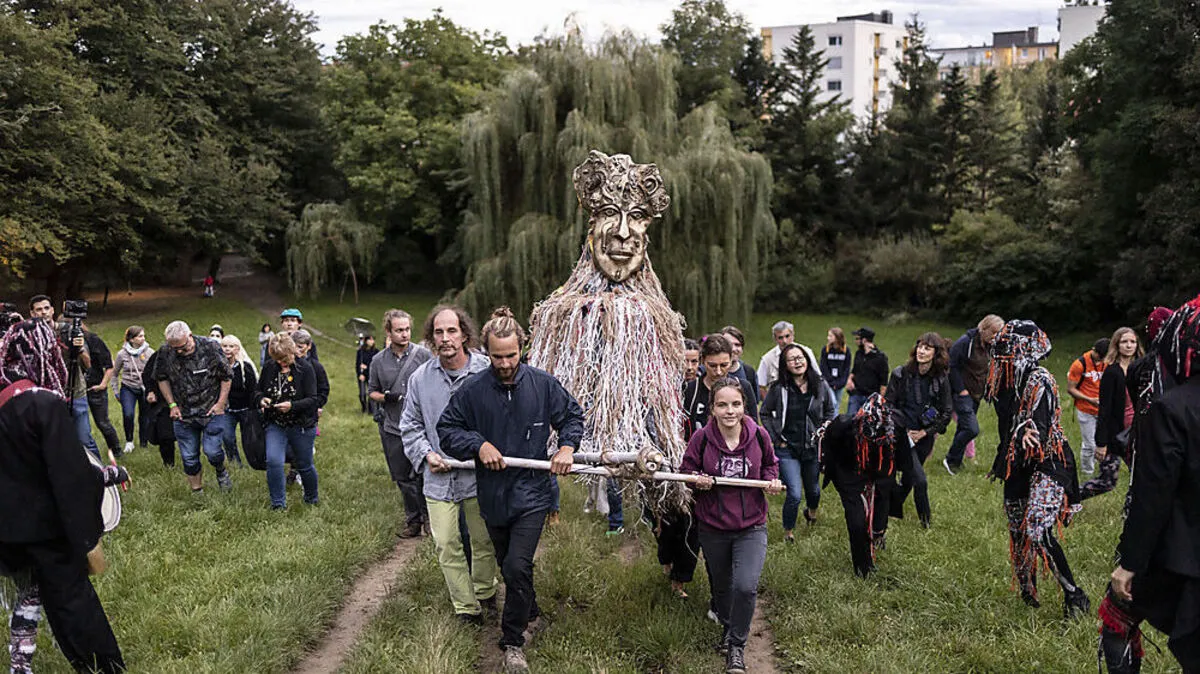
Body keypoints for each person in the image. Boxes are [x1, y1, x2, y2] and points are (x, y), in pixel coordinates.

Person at [439, 308, 585, 674]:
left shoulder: (543, 385)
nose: (504, 363)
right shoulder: (471, 391)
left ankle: (513, 642)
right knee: (508, 566)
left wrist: (566, 447)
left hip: (532, 492)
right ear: (485, 351)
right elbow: (447, 430)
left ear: (523, 348)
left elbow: (572, 417)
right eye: (496, 356)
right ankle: (530, 610)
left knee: (518, 563)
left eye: (511, 355)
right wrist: (478, 444)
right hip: (493, 494)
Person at [0, 319, 126, 673]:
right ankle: (102, 666)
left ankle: (29, 662)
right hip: (47, 526)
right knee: (72, 598)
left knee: (41, 596)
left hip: (10, 528)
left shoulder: (6, 398)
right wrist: (101, 489)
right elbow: (68, 472)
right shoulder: (41, 403)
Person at [1103, 296, 1200, 674]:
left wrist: (1129, 563)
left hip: (1186, 558)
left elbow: (1153, 493)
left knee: (1118, 613)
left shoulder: (1174, 407)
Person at [400, 305, 497, 626]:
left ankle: (485, 591)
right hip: (439, 479)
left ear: (465, 334)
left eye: (451, 331)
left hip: (479, 477)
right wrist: (427, 454)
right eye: (438, 332)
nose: (445, 338)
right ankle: (466, 608)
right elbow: (410, 425)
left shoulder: (486, 371)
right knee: (446, 543)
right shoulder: (420, 379)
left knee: (483, 541)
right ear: (431, 338)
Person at [984, 320, 1088, 617]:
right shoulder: (1004, 380)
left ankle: (1074, 595)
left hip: (1049, 459)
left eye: (1009, 347)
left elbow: (1038, 431)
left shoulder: (1041, 380)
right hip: (1017, 461)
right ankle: (1027, 590)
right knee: (1017, 528)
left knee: (1038, 529)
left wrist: (1023, 433)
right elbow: (1008, 428)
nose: (1002, 354)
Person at [680, 377, 782, 674]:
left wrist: (771, 482)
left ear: (744, 406)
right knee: (722, 587)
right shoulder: (701, 438)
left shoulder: (759, 435)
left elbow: (770, 465)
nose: (730, 411)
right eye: (722, 405)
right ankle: (727, 625)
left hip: (751, 525)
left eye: (735, 404)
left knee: (746, 586)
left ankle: (737, 646)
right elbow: (686, 470)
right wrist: (696, 479)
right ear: (712, 408)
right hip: (712, 526)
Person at [761, 342, 835, 541]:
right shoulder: (779, 388)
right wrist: (776, 438)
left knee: (814, 490)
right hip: (787, 449)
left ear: (807, 360)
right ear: (785, 365)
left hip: (812, 447)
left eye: (800, 357)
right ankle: (788, 532)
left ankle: (811, 512)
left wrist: (825, 429)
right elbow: (764, 412)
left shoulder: (820, 384)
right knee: (794, 493)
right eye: (792, 359)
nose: (797, 361)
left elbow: (830, 411)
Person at [368, 309, 432, 538]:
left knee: (424, 474)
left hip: (422, 426)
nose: (404, 334)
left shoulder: (423, 355)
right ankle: (412, 520)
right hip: (393, 426)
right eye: (399, 330)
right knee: (403, 477)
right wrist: (386, 398)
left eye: (407, 329)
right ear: (388, 331)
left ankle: (429, 520)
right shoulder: (378, 361)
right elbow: (371, 392)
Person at [818, 393, 896, 577]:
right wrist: (826, 468)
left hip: (877, 473)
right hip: (847, 473)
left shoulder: (892, 432)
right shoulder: (843, 425)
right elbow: (828, 446)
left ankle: (876, 539)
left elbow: (897, 467)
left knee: (877, 514)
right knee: (856, 522)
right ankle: (863, 569)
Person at [882, 332, 951, 530]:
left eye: (927, 348)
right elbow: (888, 405)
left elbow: (946, 412)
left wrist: (924, 433)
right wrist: (901, 431)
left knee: (909, 479)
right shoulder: (900, 373)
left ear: (936, 353)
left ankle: (890, 510)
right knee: (920, 481)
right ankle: (926, 524)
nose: (921, 351)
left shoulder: (941, 379)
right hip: (902, 435)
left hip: (924, 436)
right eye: (920, 346)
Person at [155, 321, 234, 494]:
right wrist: (172, 405)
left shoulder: (211, 347)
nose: (179, 351)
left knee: (212, 452)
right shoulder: (165, 352)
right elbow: (161, 378)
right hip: (183, 414)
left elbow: (226, 376)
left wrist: (220, 404)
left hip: (211, 410)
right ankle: (197, 491)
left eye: (182, 347)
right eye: (175, 348)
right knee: (189, 457)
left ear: (190, 335)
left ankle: (221, 471)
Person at [28, 295, 99, 459]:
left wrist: (79, 348)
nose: (43, 312)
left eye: (46, 308)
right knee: (54, 442)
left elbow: (88, 364)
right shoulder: (30, 336)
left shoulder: (68, 330)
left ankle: (101, 475)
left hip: (76, 391)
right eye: (39, 309)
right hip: (49, 395)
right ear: (32, 313)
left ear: (52, 310)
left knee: (84, 439)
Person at [256, 333, 320, 509]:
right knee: (273, 461)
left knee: (304, 464)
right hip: (275, 423)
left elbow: (313, 399)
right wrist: (262, 399)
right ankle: (278, 504)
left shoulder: (305, 369)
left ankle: (311, 498)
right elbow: (258, 391)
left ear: (292, 352)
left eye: (285, 358)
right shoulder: (269, 367)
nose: (282, 363)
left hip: (301, 424)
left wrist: (292, 406)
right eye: (278, 359)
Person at [1080, 327, 1143, 501]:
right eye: (1124, 342)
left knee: (1141, 478)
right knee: (1106, 481)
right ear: (1117, 345)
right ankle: (1068, 497)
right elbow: (1105, 409)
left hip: (1137, 433)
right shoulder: (1111, 372)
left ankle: (1132, 514)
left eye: (1132, 342)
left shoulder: (1142, 369)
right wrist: (1101, 442)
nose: (1129, 345)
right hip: (1115, 435)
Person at [943, 315, 1004, 475]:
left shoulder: (992, 346)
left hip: (977, 394)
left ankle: (955, 462)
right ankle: (950, 459)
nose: (995, 337)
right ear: (983, 329)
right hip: (962, 394)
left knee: (964, 427)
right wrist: (961, 389)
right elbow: (952, 366)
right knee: (971, 429)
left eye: (998, 334)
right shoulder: (965, 342)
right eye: (993, 333)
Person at [684, 334, 759, 437]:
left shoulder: (743, 387)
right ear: (702, 361)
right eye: (712, 366)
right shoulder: (691, 390)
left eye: (724, 365)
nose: (718, 372)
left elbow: (753, 426)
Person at [1066, 337, 1109, 475]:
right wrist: (1090, 399)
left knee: (1104, 443)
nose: (1100, 360)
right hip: (1086, 409)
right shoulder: (1080, 364)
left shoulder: (1109, 362)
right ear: (1094, 350)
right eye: (1099, 356)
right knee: (1090, 445)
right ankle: (1087, 471)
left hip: (1104, 410)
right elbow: (1071, 389)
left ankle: (1104, 470)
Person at [82, 324, 122, 459]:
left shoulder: (93, 340)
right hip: (76, 390)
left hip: (95, 386)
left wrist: (103, 384)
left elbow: (109, 365)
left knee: (102, 422)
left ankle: (116, 449)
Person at [111, 326, 151, 455]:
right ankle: (129, 441)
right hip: (128, 387)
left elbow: (155, 373)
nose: (143, 338)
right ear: (132, 339)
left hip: (144, 388)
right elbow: (114, 374)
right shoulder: (122, 354)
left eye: (143, 336)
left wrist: (153, 391)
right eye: (140, 336)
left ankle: (144, 442)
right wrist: (116, 391)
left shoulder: (149, 352)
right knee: (128, 414)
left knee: (145, 416)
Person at [755, 321, 821, 399]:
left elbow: (818, 378)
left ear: (793, 335)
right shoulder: (767, 359)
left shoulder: (807, 352)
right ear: (775, 339)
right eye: (780, 338)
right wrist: (770, 405)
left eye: (787, 336)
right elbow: (760, 386)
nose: (784, 341)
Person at [220, 335, 258, 468]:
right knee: (227, 437)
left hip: (245, 409)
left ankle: (253, 462)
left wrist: (254, 409)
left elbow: (253, 389)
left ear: (237, 349)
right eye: (224, 346)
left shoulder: (245, 368)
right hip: (227, 410)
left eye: (231, 346)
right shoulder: (218, 367)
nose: (227, 349)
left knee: (248, 439)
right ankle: (235, 463)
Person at [141, 347, 177, 468]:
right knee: (165, 436)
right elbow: (147, 374)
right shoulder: (160, 355)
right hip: (163, 401)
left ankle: (191, 461)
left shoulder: (194, 354)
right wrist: (150, 391)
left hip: (186, 400)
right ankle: (169, 464)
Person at [845, 327, 889, 417]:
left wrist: (880, 402)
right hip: (856, 394)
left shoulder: (880, 358)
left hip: (870, 398)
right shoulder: (859, 354)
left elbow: (884, 382)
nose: (855, 341)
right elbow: (854, 370)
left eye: (857, 339)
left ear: (864, 340)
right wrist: (849, 380)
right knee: (850, 420)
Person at [720, 326, 759, 409]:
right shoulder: (709, 370)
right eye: (729, 344)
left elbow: (754, 405)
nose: (733, 349)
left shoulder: (748, 372)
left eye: (737, 345)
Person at [819, 327, 850, 411]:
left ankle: (834, 421)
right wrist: (831, 381)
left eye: (830, 336)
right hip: (828, 382)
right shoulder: (825, 350)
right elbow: (823, 367)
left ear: (837, 337)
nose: (828, 338)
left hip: (840, 383)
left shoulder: (846, 350)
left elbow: (846, 368)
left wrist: (841, 382)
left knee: (837, 403)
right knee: (832, 402)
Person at [356, 334, 379, 414]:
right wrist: (360, 373)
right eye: (370, 339)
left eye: (373, 340)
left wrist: (367, 367)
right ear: (366, 341)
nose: (372, 341)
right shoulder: (361, 352)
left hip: (371, 375)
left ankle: (371, 410)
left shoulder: (376, 352)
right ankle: (364, 407)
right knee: (362, 394)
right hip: (363, 376)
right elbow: (357, 364)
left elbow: (375, 365)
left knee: (371, 394)